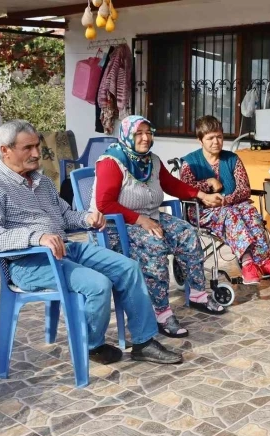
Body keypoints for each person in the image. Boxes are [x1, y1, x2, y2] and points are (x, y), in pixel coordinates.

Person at [0, 120, 182, 365]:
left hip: (66, 249)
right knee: (98, 284)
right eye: (27, 148)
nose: (37, 153)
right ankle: (92, 345)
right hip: (29, 262)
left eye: (37, 146)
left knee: (128, 267)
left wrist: (87, 218)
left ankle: (144, 342)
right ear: (4, 150)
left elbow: (65, 215)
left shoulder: (41, 181)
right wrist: (36, 237)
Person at [92, 115, 226, 339]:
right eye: (138, 134)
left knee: (187, 233)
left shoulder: (151, 160)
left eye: (148, 132)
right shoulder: (111, 162)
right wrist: (140, 220)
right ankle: (161, 312)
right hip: (118, 226)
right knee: (155, 245)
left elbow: (171, 184)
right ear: (127, 136)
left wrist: (201, 194)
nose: (145, 138)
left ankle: (197, 294)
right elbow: (104, 205)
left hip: (150, 216)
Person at [180, 115, 270, 285]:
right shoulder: (190, 163)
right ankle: (247, 263)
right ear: (200, 140)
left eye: (219, 137)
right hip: (202, 211)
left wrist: (226, 199)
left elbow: (244, 189)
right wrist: (208, 183)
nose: (216, 141)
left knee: (250, 212)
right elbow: (186, 190)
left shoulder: (232, 159)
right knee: (231, 214)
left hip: (232, 206)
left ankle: (264, 261)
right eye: (210, 138)